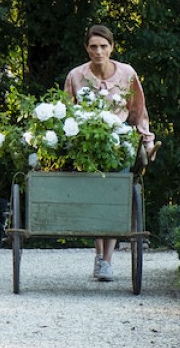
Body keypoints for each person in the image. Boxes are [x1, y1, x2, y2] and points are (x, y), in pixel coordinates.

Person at [63, 24, 158, 282]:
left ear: (112, 48)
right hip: (88, 145)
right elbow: (66, 112)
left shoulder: (127, 74)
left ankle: (106, 259)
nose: (98, 51)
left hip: (119, 142)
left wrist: (147, 141)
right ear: (87, 48)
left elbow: (139, 112)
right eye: (93, 46)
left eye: (103, 46)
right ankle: (100, 256)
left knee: (115, 194)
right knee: (96, 198)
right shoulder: (76, 76)